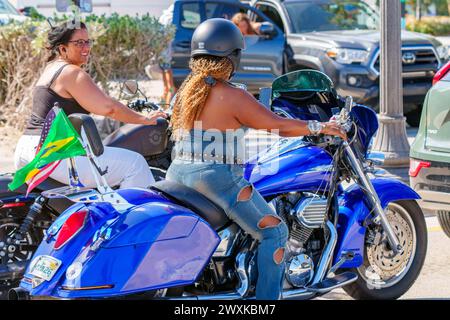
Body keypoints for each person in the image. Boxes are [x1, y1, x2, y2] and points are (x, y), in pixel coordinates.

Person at [166, 18, 346, 300]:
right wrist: (320, 127)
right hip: (216, 179)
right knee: (275, 233)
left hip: (177, 174)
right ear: (232, 55)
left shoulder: (186, 92)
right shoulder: (232, 94)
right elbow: (278, 125)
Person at [14, 20, 167, 189]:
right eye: (79, 43)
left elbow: (99, 101)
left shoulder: (52, 69)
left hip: (28, 148)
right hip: (51, 151)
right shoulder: (71, 72)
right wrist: (145, 119)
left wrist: (126, 106)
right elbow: (109, 108)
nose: (86, 47)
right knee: (135, 164)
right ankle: (129, 216)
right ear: (63, 48)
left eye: (88, 41)